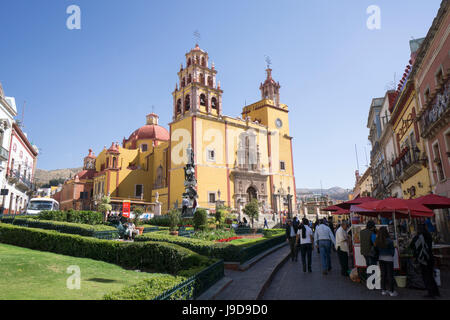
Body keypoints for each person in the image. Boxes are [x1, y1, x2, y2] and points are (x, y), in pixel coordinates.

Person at [410, 223, 440, 298]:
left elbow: (412, 245)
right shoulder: (429, 235)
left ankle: (431, 293)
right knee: (430, 276)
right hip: (430, 257)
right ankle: (436, 291)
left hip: (423, 259)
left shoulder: (419, 237)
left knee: (426, 276)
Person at [374, 226, 397, 297]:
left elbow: (376, 250)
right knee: (390, 275)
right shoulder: (389, 241)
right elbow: (392, 252)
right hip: (389, 259)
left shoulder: (377, 240)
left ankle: (383, 290)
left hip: (381, 258)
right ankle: (391, 291)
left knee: (383, 275)